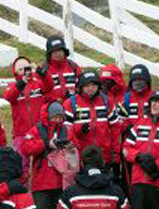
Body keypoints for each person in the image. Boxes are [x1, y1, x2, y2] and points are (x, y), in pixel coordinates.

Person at [20, 102, 79, 209]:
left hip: (61, 181)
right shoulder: (36, 130)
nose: (58, 120)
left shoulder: (66, 130)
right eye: (55, 117)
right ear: (49, 116)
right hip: (41, 183)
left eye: (60, 117)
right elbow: (26, 148)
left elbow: (76, 144)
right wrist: (46, 144)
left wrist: (70, 146)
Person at [64, 70, 118, 165]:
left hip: (104, 156)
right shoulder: (70, 103)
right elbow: (66, 131)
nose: (91, 88)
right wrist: (80, 130)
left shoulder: (106, 101)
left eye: (94, 85)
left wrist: (115, 154)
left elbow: (116, 129)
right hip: (80, 157)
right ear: (81, 87)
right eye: (87, 85)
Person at [115, 65, 153, 195]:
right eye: (134, 80)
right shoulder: (125, 99)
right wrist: (127, 126)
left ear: (147, 81)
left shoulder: (154, 97)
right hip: (131, 144)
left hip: (152, 142)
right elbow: (118, 122)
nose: (138, 83)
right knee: (129, 176)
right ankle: (132, 204)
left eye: (141, 80)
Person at [3, 56, 47, 152]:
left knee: (40, 161)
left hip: (39, 130)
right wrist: (22, 83)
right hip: (20, 133)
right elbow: (8, 96)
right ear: (15, 72)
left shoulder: (38, 83)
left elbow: (49, 86)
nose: (24, 71)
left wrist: (39, 70)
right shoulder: (12, 86)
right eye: (20, 69)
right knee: (22, 163)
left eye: (26, 68)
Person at [99, 65, 126, 184]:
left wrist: (123, 126)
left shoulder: (127, 95)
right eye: (103, 81)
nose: (105, 84)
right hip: (107, 141)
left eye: (109, 81)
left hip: (125, 138)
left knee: (125, 174)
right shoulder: (101, 97)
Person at [37, 35, 78, 102]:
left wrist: (73, 94)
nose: (58, 54)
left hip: (73, 105)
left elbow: (82, 86)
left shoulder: (73, 66)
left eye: (60, 50)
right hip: (52, 108)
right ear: (49, 53)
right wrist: (54, 99)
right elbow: (39, 92)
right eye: (54, 51)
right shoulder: (43, 69)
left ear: (64, 52)